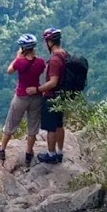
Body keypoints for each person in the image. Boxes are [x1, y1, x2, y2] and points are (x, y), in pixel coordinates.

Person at [0, 33, 44, 168]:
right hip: (36, 97)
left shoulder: (20, 62)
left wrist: (17, 57)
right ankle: (28, 154)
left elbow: (9, 71)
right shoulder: (40, 62)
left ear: (22, 48)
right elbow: (40, 71)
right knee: (33, 126)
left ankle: (2, 150)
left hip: (21, 96)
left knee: (11, 123)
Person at [35, 27, 69, 163]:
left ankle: (51, 154)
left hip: (51, 96)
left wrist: (38, 89)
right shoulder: (64, 54)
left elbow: (53, 82)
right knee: (59, 124)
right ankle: (60, 152)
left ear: (50, 42)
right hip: (62, 95)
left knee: (51, 127)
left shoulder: (55, 59)